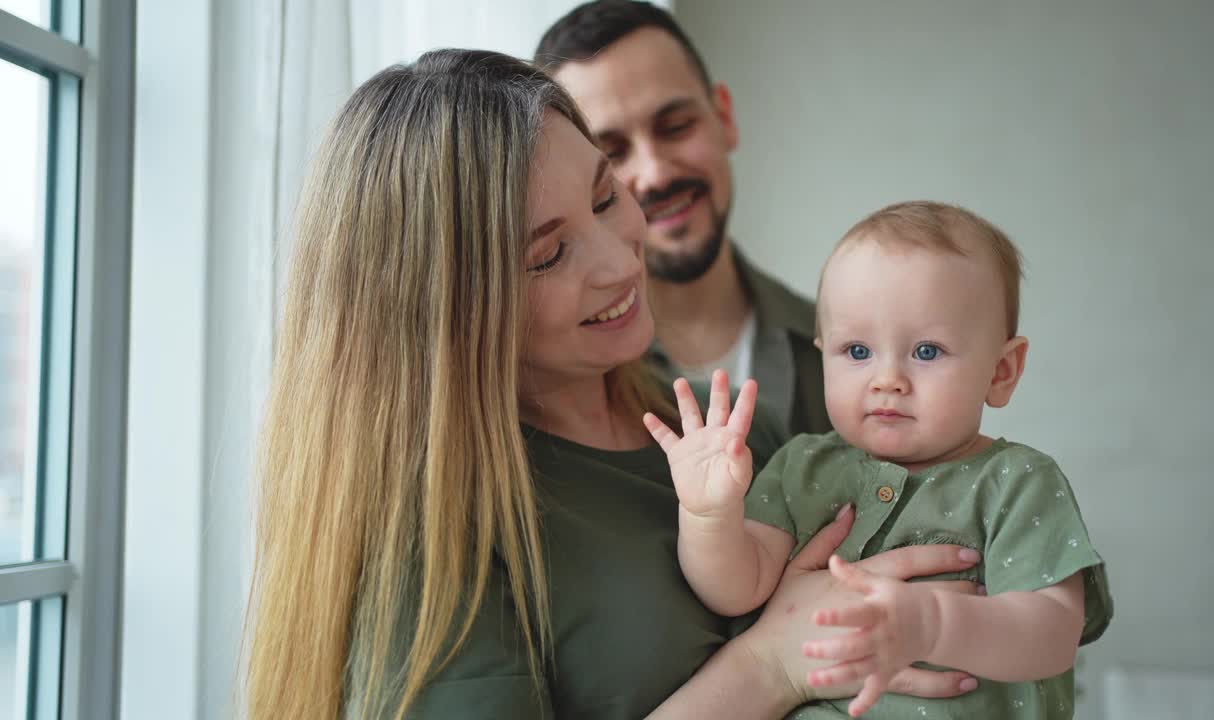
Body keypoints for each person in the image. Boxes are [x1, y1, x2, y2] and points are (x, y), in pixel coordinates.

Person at [242, 50, 986, 719]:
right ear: (442, 310)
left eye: (603, 198)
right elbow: (787, 651)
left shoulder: (711, 430)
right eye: (547, 255)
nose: (620, 263)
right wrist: (769, 664)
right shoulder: (430, 538)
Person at [644, 201, 1113, 718]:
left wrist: (933, 624)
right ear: (823, 353)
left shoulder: (1016, 483)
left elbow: (1052, 635)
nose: (887, 379)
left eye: (927, 351)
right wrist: (709, 515)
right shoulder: (803, 469)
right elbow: (735, 590)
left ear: (1001, 371)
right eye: (858, 352)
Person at [535, 0, 833, 436]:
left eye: (675, 126)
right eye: (612, 153)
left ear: (724, 117)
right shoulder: (564, 391)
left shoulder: (843, 353)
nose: (655, 174)